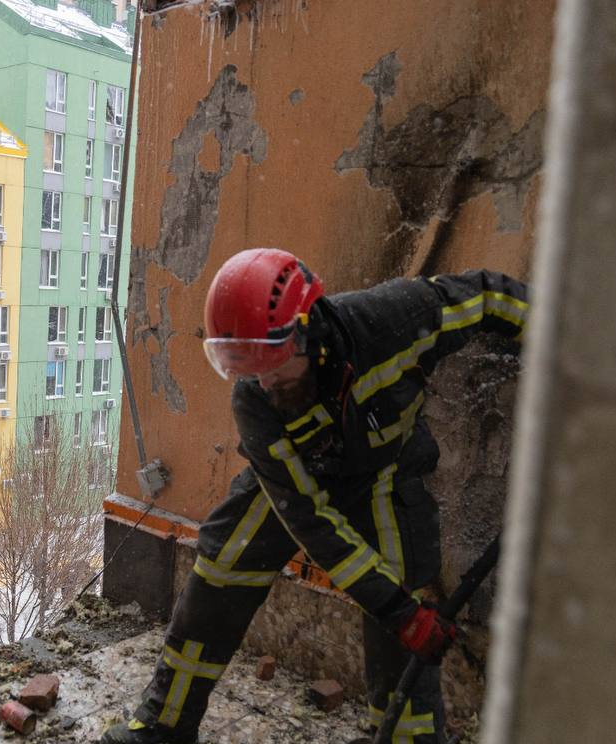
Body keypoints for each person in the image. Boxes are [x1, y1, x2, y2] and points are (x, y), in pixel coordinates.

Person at [100, 250, 530, 744]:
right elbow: (311, 520)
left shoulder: (397, 320)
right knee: (219, 575)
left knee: (403, 615)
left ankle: (408, 738)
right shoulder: (257, 399)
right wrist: (396, 609)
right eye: (241, 364)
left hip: (387, 472)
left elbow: (486, 297)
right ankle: (163, 727)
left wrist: (564, 341)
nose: (261, 380)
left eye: (269, 361)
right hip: (295, 482)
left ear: (309, 331)